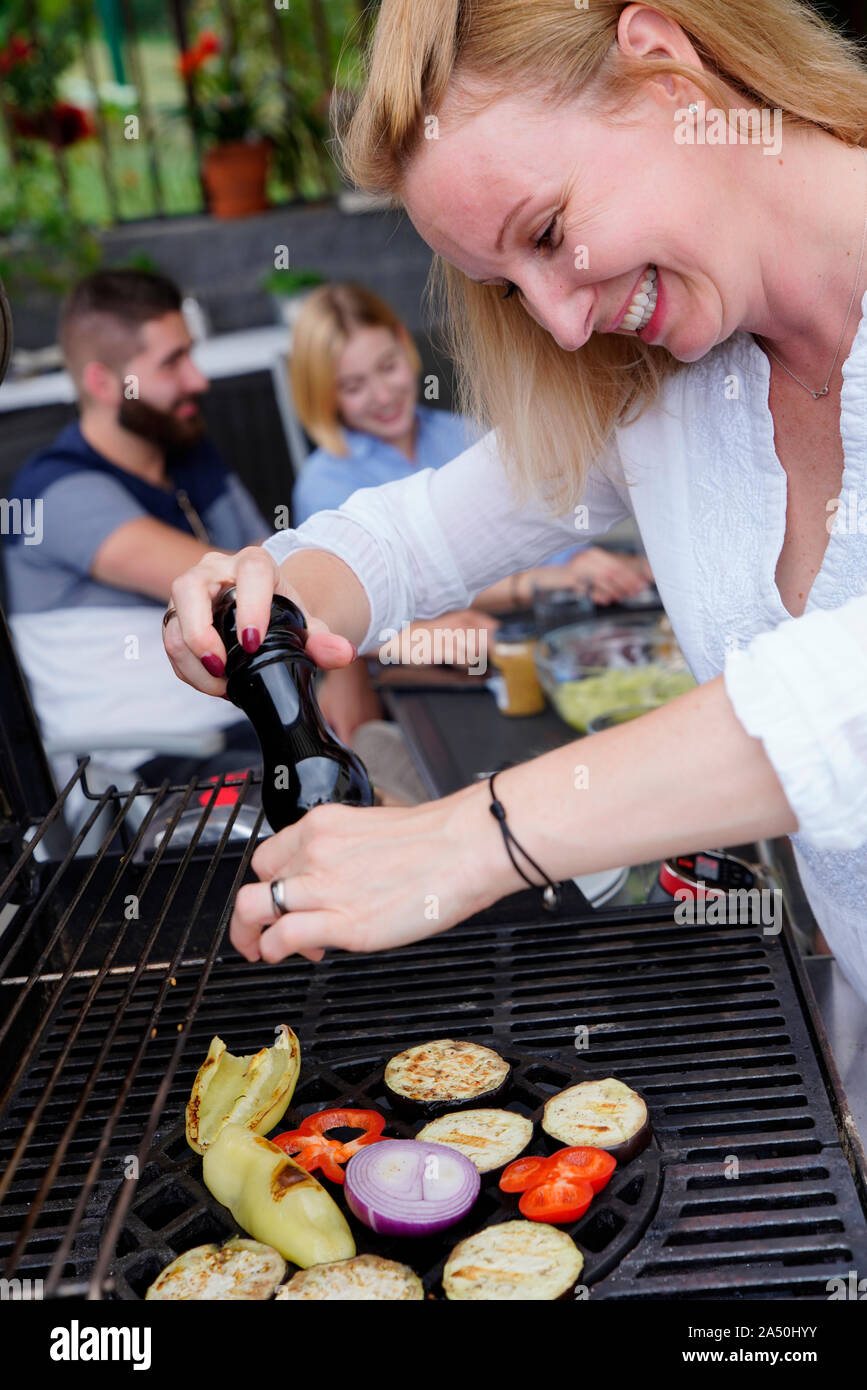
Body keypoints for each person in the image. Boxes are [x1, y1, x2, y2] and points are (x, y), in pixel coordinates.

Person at [164, 0, 867, 1006]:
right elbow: (404, 538)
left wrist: (475, 836)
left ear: (665, 67)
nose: (565, 326)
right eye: (508, 287)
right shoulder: (667, 381)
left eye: (547, 231)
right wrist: (263, 601)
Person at [289, 281, 652, 744]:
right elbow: (372, 606)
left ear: (404, 342)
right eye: (354, 386)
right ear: (323, 394)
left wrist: (581, 566)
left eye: (388, 366)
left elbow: (541, 530)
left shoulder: (464, 431)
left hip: (520, 648)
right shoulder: (325, 481)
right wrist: (542, 581)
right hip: (437, 680)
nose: (382, 394)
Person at [4, 269, 268, 785]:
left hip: (247, 734)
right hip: (146, 774)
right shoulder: (54, 494)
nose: (199, 380)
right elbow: (252, 588)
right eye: (173, 363)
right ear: (104, 382)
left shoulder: (187, 447)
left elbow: (276, 567)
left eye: (191, 354)